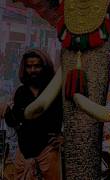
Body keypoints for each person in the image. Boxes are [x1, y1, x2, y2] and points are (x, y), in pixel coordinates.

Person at [2, 49, 63, 179]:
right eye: (29, 66)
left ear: (44, 67)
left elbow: (65, 116)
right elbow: (15, 121)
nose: (33, 70)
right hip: (24, 155)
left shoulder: (54, 92)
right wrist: (7, 111)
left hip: (48, 153)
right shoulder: (21, 92)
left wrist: (63, 137)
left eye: (37, 66)